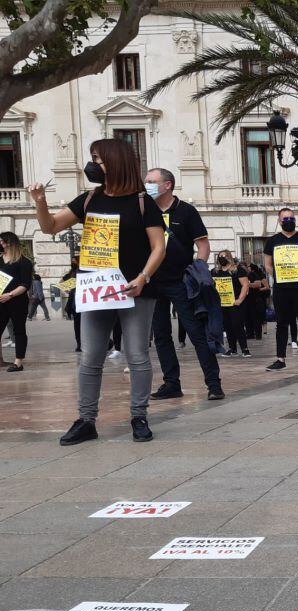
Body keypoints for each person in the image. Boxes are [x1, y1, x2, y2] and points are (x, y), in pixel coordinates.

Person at [29, 137, 166, 444]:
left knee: (137, 354)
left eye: (97, 159)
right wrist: (39, 200)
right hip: (96, 289)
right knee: (90, 355)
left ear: (114, 162)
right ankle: (86, 420)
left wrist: (143, 277)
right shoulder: (89, 199)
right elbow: (50, 226)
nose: (92, 165)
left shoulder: (143, 203)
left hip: (135, 289)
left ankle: (139, 416)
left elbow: (159, 247)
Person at [144, 167, 224, 401]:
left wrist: (196, 270)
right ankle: (171, 383)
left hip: (181, 282)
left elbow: (203, 245)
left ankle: (213, 383)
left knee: (196, 333)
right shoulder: (144, 212)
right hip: (154, 282)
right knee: (161, 335)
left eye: (151, 181)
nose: (146, 185)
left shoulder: (186, 211)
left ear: (167, 185)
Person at [264, 207, 298, 371]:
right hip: (281, 290)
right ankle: (280, 359)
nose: (289, 221)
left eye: (291, 218)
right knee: (281, 324)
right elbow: (267, 265)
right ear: (279, 221)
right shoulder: (272, 241)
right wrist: (281, 275)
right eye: (285, 218)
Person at [0, 232, 33, 371]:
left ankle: (18, 362)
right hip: (1, 301)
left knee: (19, 330)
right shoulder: (0, 260)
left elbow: (25, 284)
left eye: (2, 241)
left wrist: (10, 295)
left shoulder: (24, 262)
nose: (0, 243)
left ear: (9, 242)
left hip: (17, 301)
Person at [213, 250, 250, 357]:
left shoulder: (238, 270)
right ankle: (232, 348)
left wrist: (240, 299)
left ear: (229, 257)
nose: (221, 258)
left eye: (224, 256)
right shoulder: (215, 271)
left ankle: (245, 348)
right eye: (220, 256)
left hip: (235, 303)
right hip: (222, 304)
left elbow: (245, 285)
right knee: (227, 326)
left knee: (237, 325)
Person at [245, 256, 268, 339]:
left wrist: (247, 285)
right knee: (248, 318)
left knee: (257, 318)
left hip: (256, 299)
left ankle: (259, 334)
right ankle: (250, 334)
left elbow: (264, 286)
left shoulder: (255, 275)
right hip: (246, 300)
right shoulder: (242, 275)